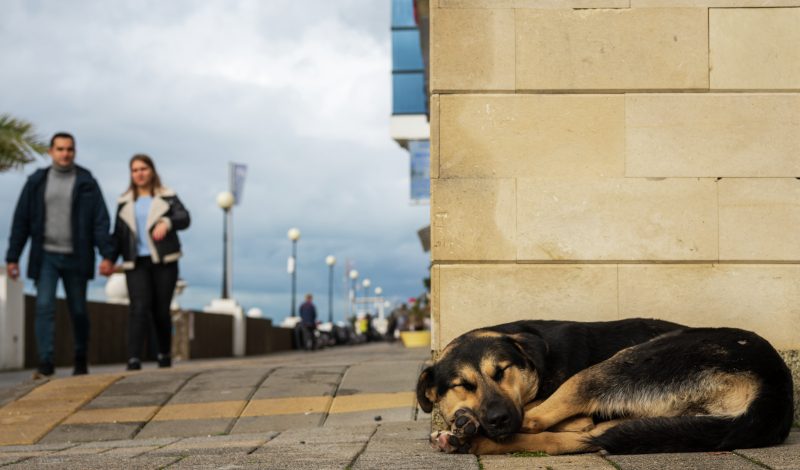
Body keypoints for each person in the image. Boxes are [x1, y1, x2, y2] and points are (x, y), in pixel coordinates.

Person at [5, 132, 115, 378]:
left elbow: (100, 221)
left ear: (74, 152)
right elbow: (21, 220)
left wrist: (107, 254)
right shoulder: (37, 182)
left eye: (69, 149)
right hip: (46, 256)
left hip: (77, 256)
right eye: (60, 149)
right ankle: (45, 362)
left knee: (78, 310)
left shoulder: (87, 182)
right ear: (51, 152)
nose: (65, 154)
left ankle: (80, 358)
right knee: (44, 307)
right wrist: (12, 257)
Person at [109, 154, 190, 370]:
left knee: (161, 310)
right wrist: (108, 259)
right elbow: (118, 234)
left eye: (143, 169)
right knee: (138, 307)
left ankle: (164, 354)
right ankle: (133, 358)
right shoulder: (124, 201)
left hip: (164, 261)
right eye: (135, 170)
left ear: (152, 170)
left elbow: (185, 218)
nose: (139, 173)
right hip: (135, 262)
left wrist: (167, 221)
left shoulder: (168, 196)